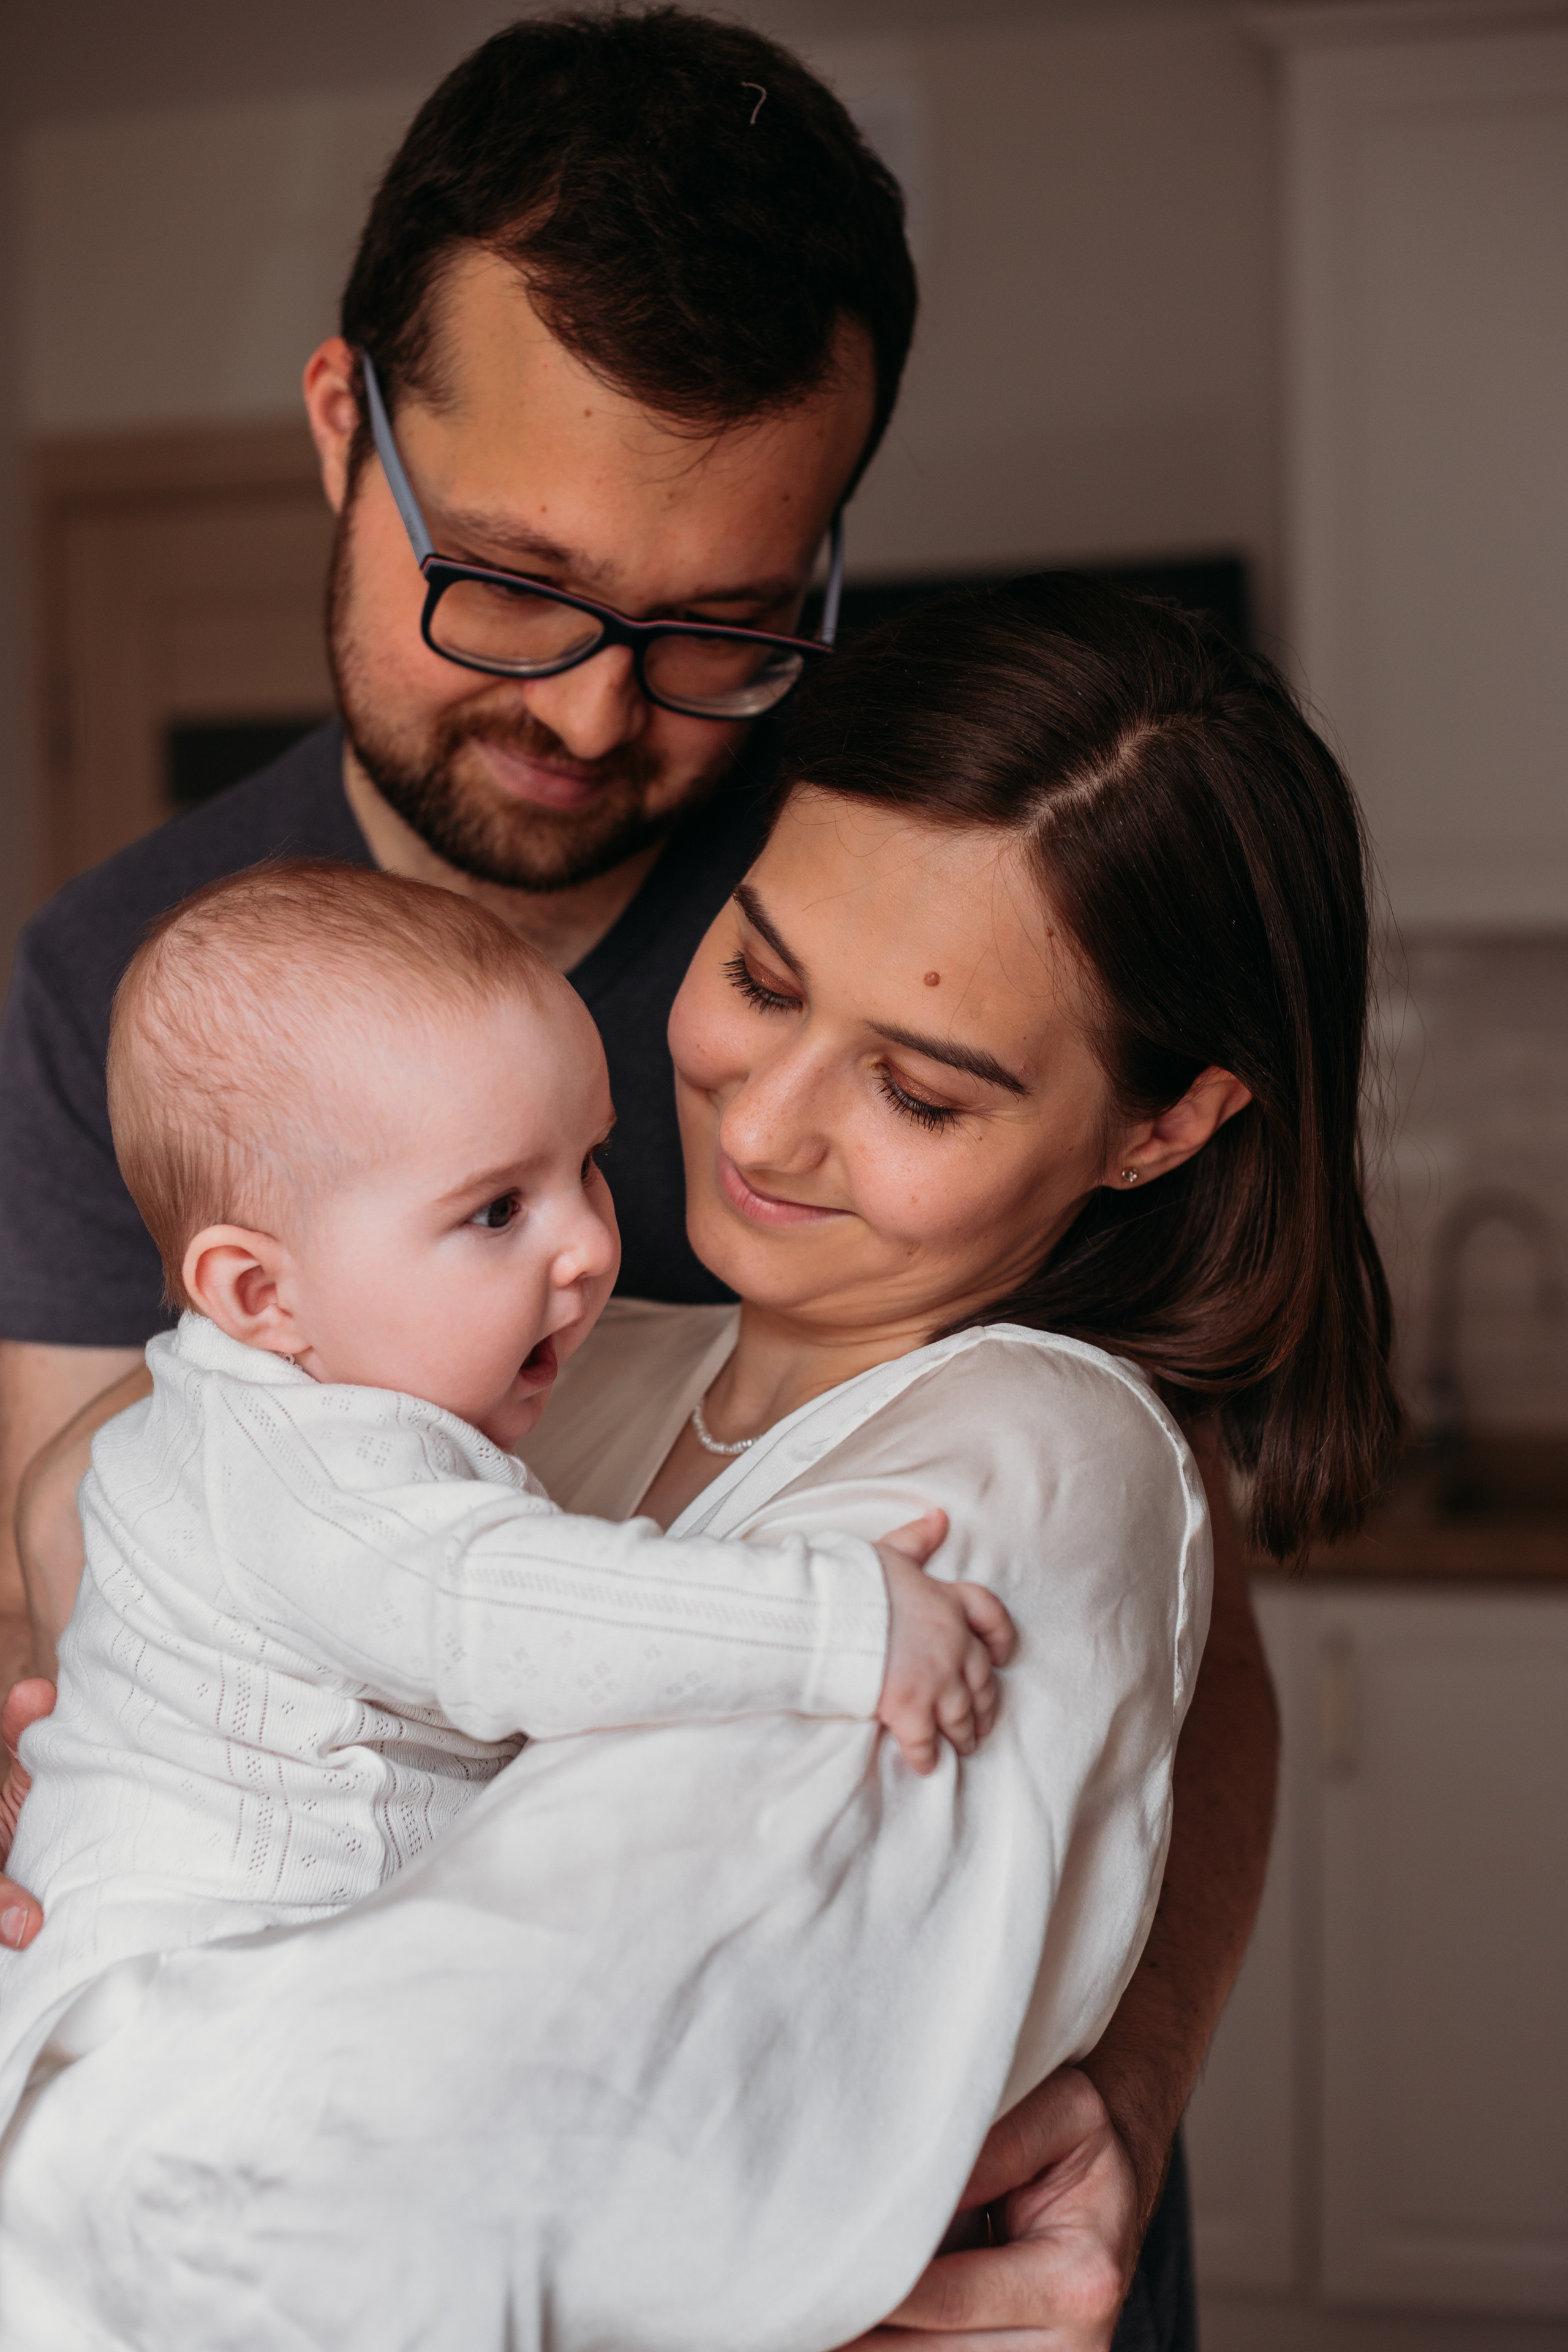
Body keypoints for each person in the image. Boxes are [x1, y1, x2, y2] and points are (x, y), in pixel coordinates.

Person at [0, 15, 1280, 2345]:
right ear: (340, 435)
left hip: (945, 2237)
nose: (601, 713)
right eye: (509, 580)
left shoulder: (928, 872)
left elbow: (1180, 1640)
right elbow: (77, 1579)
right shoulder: (121, 977)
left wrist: (1142, 2108)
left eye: (720, 621)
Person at [0, 858, 1012, 2155]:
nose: (591, 1244)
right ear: (259, 1295)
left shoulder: (241, 1415)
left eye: (585, 1168)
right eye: (496, 1210)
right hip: (181, 2054)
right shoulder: (314, 1476)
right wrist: (838, 1620)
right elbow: (519, 1611)